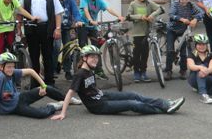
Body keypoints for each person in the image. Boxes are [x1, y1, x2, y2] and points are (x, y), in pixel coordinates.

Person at [51, 45, 185, 120]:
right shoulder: (79, 74)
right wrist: (63, 113)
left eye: (96, 57)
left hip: (102, 96)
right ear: (84, 58)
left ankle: (165, 103)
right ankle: (164, 109)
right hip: (98, 106)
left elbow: (91, 90)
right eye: (92, 57)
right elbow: (69, 93)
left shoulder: (90, 70)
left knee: (134, 95)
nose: (95, 60)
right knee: (132, 104)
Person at [0, 52, 79, 121]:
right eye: (8, 67)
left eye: (12, 66)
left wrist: (42, 85)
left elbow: (31, 71)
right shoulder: (0, 78)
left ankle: (68, 99)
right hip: (14, 107)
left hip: (20, 97)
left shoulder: (12, 72)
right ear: (1, 67)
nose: (11, 69)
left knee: (47, 88)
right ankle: (55, 106)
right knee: (41, 114)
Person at [19, 0, 64, 87]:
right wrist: (19, 29)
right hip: (31, 29)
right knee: (34, 57)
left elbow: (58, 13)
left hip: (47, 29)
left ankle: (49, 82)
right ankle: (35, 83)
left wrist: (58, 28)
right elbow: (19, 11)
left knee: (48, 56)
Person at [0, 0, 38, 77]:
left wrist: (32, 17)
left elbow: (21, 10)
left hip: (10, 27)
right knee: (0, 53)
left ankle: (12, 70)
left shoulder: (15, 1)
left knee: (13, 48)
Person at [164, 0, 203, 81]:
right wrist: (182, 19)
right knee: (170, 50)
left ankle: (183, 70)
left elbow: (202, 12)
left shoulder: (191, 5)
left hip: (184, 31)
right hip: (172, 30)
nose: (184, 1)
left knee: (184, 52)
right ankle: (168, 71)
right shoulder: (175, 4)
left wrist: (195, 19)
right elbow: (171, 15)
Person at [126, 0, 161, 83]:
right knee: (137, 53)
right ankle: (136, 72)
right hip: (137, 33)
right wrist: (140, 17)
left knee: (145, 53)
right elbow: (129, 16)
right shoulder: (133, 4)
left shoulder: (149, 3)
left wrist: (152, 15)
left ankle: (143, 72)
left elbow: (160, 9)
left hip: (146, 33)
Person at [52, 0, 85, 80]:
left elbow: (75, 11)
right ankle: (53, 69)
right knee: (56, 48)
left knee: (67, 49)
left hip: (67, 28)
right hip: (57, 29)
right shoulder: (54, 1)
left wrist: (78, 20)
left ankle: (67, 71)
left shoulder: (70, 0)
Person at [186, 34, 212, 104]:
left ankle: (202, 89)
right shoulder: (191, 55)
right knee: (201, 67)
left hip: (207, 77)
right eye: (199, 44)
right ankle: (203, 95)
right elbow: (191, 66)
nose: (202, 46)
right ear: (195, 45)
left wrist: (205, 71)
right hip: (193, 78)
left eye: (204, 44)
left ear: (207, 45)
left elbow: (211, 68)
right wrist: (200, 67)